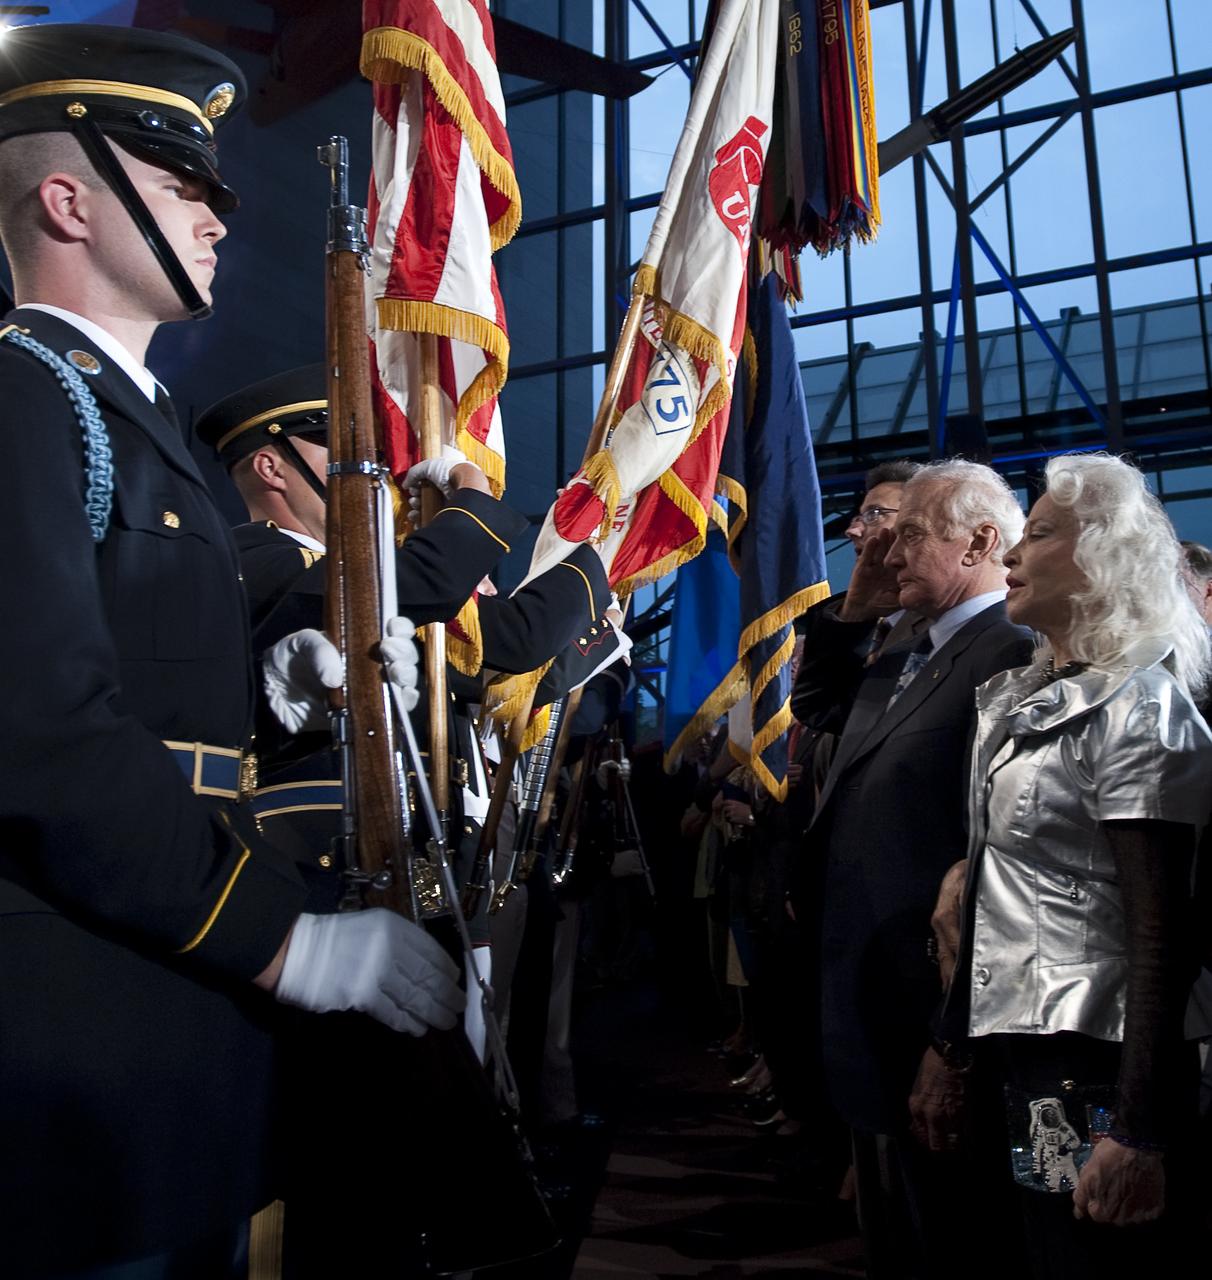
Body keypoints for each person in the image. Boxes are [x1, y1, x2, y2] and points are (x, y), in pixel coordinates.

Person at [0, 25, 460, 1278]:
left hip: (162, 1013)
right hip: (80, 1039)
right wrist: (287, 937)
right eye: (180, 181)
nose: (216, 212)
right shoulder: (28, 398)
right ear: (67, 200)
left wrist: (262, 683)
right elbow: (39, 733)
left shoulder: (124, 418)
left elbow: (146, 698)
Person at [923, 454, 1212, 1275]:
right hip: (1025, 1052)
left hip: (1105, 1065)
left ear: (1103, 558)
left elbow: (1164, 936)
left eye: (1039, 534)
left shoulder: (1141, 707)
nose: (1011, 553)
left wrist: (1139, 1130)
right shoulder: (1026, 696)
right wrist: (953, 1045)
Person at [795, 459, 1034, 1278]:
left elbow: (1002, 863)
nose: (885, 550)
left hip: (942, 1009)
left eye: (909, 536)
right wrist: (856, 611)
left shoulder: (1012, 649)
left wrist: (953, 1036)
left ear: (980, 543)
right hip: (878, 1000)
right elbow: (823, 715)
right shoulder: (911, 646)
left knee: (966, 1242)